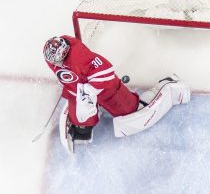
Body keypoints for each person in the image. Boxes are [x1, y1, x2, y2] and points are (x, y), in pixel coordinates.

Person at [43, 36, 190, 153]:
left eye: (62, 56)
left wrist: (89, 92)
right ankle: (84, 125)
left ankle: (169, 85)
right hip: (81, 89)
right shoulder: (52, 60)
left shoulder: (79, 56)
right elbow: (67, 76)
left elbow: (105, 71)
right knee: (82, 120)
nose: (59, 61)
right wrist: (80, 96)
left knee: (131, 111)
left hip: (104, 88)